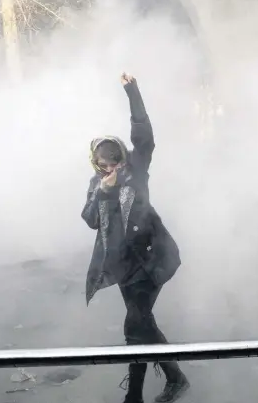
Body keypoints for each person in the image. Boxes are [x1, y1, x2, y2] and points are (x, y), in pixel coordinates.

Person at [81, 73, 190, 403]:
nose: (108, 171)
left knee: (134, 328)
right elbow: (89, 220)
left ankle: (134, 397)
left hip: (151, 261)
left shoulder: (136, 169)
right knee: (144, 325)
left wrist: (132, 91)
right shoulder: (97, 184)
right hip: (123, 267)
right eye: (102, 167)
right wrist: (103, 193)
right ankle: (176, 378)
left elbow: (145, 137)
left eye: (112, 165)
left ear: (122, 159)